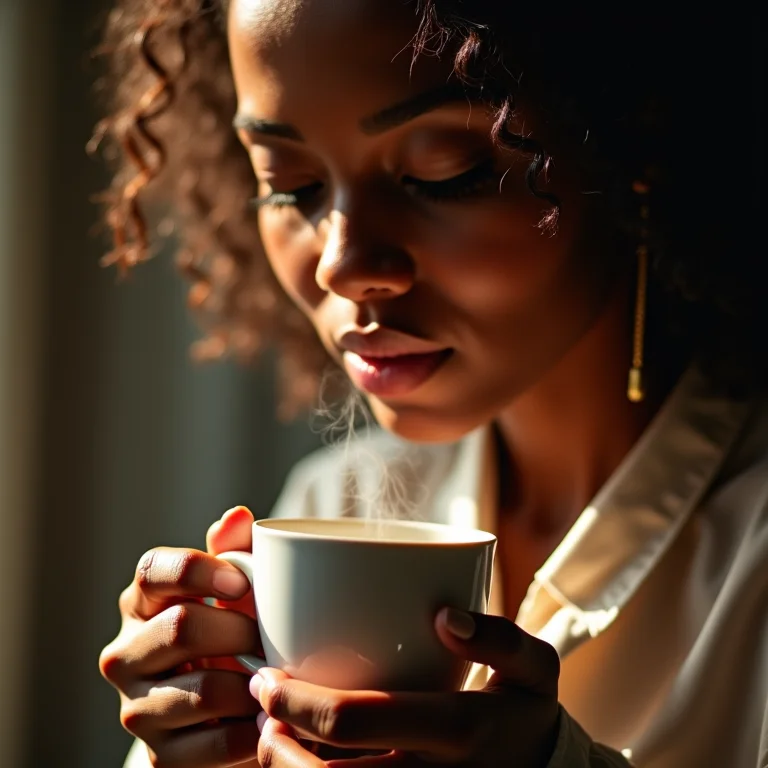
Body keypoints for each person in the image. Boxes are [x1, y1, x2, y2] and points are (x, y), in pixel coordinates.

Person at [95, 2, 766, 766]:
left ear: (632, 143)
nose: (340, 264)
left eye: (441, 171)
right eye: (290, 185)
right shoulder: (337, 501)